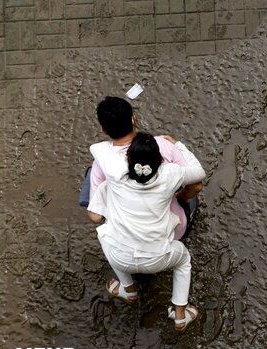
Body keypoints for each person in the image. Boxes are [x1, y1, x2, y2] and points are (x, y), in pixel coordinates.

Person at [88, 133, 205, 332]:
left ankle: (129, 289)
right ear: (159, 161)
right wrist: (178, 144)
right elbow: (198, 173)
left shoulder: (113, 181)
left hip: (120, 256)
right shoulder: (170, 173)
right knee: (184, 261)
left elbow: (94, 216)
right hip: (157, 256)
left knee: (106, 236)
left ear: (128, 161)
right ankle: (180, 316)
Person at [86, 96, 202, 240]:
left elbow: (96, 217)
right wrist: (182, 197)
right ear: (134, 119)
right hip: (171, 232)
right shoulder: (163, 145)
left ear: (104, 130)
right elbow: (196, 186)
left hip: (129, 238)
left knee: (91, 174)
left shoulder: (103, 162)